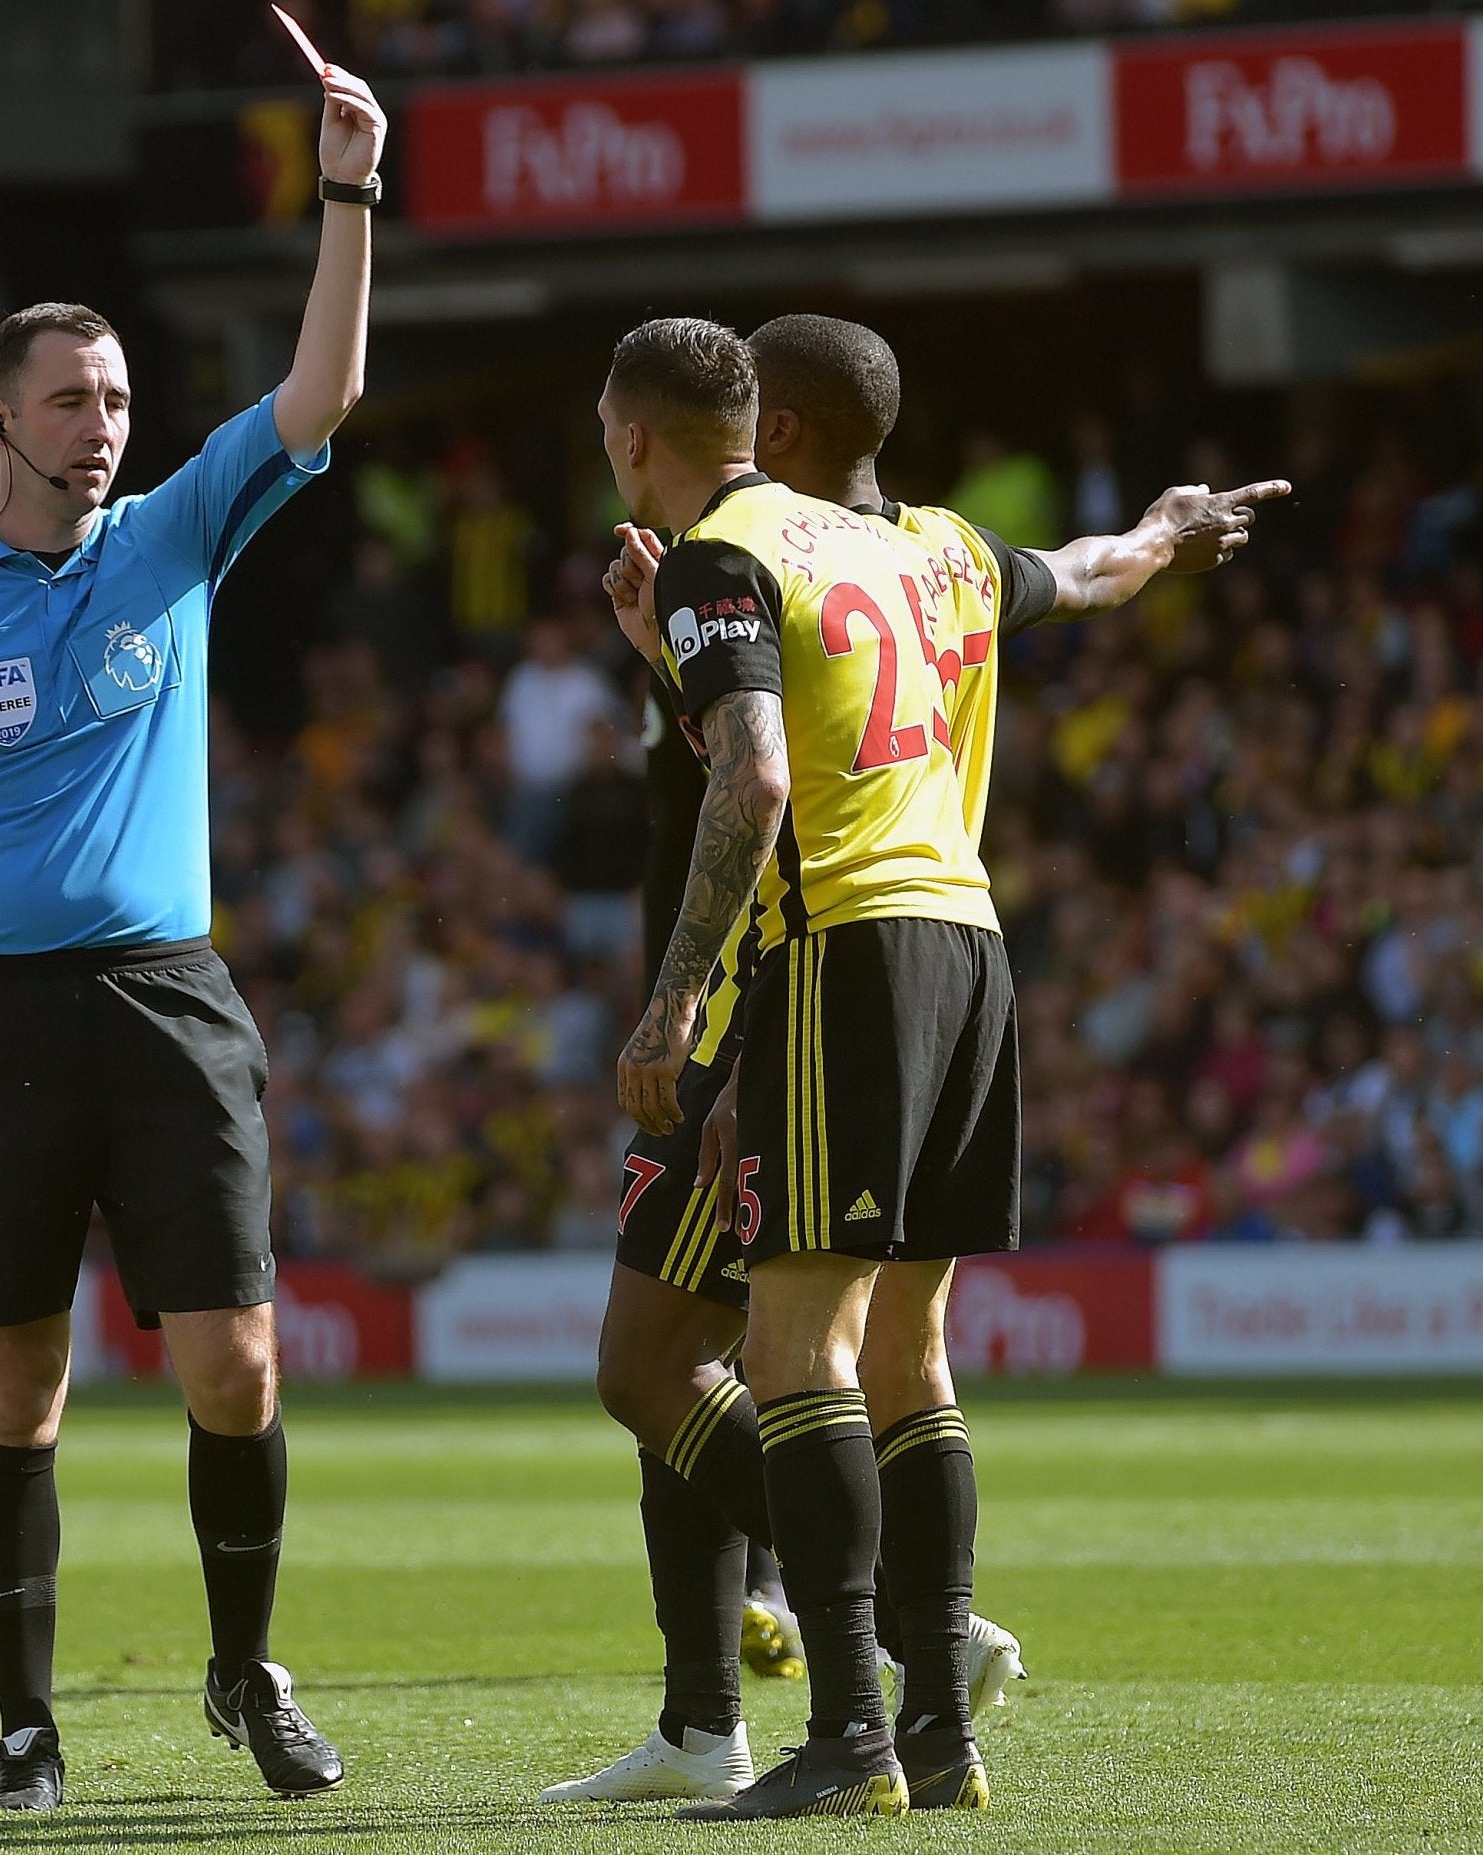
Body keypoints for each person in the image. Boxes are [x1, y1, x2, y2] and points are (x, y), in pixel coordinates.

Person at [548, 313, 1286, 1811]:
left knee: (794, 1351)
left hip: (835, 953)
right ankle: (937, 1727)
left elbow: (759, 776)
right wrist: (1168, 528)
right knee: (907, 1354)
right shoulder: (933, 546)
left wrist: (671, 998)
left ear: (631, 438)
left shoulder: (726, 551)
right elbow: (1091, 570)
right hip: (968, 947)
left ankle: (848, 1737)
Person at [0, 62, 388, 1817]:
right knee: (11, 1381)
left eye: (117, 397)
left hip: (165, 1000)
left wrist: (347, 193)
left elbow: (319, 391)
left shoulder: (176, 533)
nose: (101, 425)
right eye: (69, 400)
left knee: (236, 1363)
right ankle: (24, 1727)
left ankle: (243, 1668)